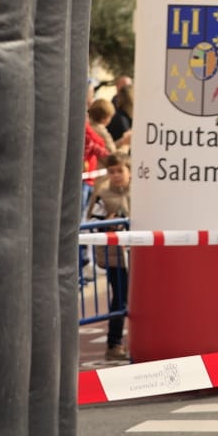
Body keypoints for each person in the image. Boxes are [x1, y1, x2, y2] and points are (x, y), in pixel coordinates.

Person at [85, 152, 133, 362]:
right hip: (117, 258)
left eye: (120, 171)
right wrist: (107, 223)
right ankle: (114, 344)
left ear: (129, 172)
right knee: (120, 300)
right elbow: (92, 224)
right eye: (111, 172)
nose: (116, 176)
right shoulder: (103, 195)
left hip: (139, 257)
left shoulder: (142, 192)